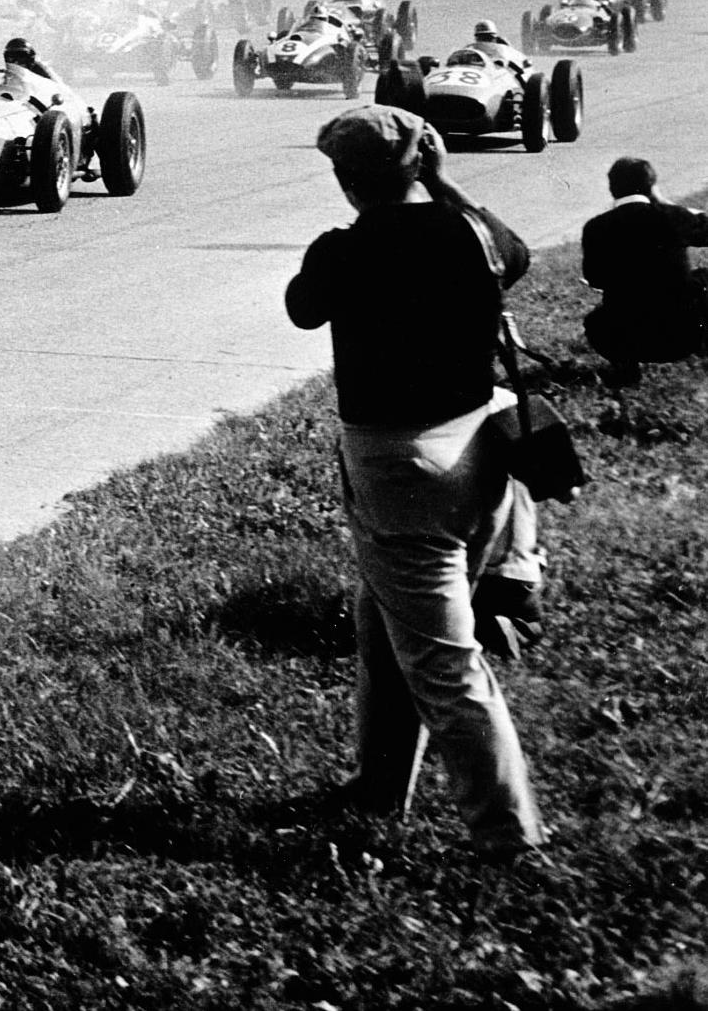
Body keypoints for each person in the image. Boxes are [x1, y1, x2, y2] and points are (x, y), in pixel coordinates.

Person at [285, 104, 544, 859]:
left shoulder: (342, 248)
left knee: (443, 662)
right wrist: (445, 183)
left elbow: (303, 310)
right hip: (478, 451)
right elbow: (516, 251)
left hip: (398, 466)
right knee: (382, 624)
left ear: (344, 177)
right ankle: (378, 786)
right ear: (421, 164)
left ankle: (508, 837)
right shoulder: (469, 233)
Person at [580, 156, 708, 387]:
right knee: (703, 278)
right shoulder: (672, 216)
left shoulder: (596, 227)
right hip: (685, 336)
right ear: (651, 187)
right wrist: (665, 203)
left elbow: (594, 278)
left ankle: (626, 370)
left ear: (612, 189)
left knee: (596, 320)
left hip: (630, 338)